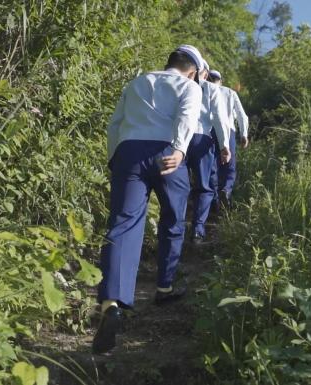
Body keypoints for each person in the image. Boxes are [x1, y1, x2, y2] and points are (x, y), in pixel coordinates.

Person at [93, 45, 205, 355]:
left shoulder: (137, 82)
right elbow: (187, 117)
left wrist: (115, 157)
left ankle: (111, 302)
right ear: (193, 71)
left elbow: (115, 124)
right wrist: (180, 149)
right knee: (172, 219)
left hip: (129, 152)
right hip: (168, 152)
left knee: (123, 224)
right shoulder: (189, 87)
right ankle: (164, 286)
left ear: (169, 62)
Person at [187, 61, 231, 244]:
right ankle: (197, 229)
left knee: (179, 186)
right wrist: (224, 146)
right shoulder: (211, 89)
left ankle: (175, 226)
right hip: (201, 137)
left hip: (176, 139)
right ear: (203, 72)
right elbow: (220, 119)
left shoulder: (180, 84)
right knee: (204, 187)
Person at [208, 70, 249, 208]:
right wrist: (244, 134)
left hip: (208, 130)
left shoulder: (203, 89)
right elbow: (242, 116)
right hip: (228, 130)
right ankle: (226, 190)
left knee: (212, 165)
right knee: (229, 165)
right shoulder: (230, 93)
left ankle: (214, 200)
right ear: (220, 80)